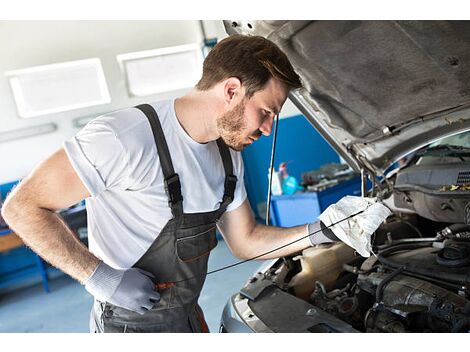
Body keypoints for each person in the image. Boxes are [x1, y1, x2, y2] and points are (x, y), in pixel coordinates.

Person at [1, 34, 390, 333]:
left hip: (189, 317)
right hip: (127, 327)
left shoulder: (228, 156)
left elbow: (246, 242)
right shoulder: (123, 138)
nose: (269, 129)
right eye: (266, 112)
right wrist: (100, 277)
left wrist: (324, 229)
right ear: (232, 90)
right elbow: (21, 207)